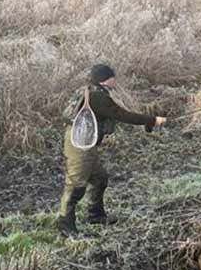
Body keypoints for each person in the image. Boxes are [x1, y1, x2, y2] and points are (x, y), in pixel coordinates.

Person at [58, 64, 166, 236]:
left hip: (85, 142)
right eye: (113, 77)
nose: (115, 80)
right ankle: (65, 225)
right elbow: (121, 115)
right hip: (79, 144)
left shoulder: (88, 90)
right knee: (76, 184)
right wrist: (152, 120)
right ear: (106, 79)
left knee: (100, 178)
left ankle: (95, 216)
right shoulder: (97, 97)